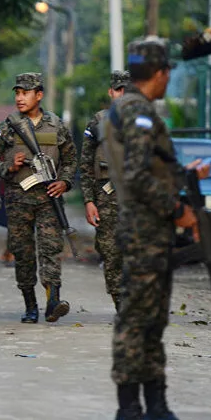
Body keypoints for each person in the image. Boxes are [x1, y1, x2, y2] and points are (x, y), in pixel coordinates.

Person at [103, 38, 198, 420]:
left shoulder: (128, 107)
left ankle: (157, 407)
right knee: (137, 320)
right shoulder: (138, 110)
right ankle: (129, 410)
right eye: (167, 73)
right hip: (145, 230)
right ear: (160, 73)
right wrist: (177, 210)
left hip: (151, 231)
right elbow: (137, 175)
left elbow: (149, 167)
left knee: (154, 321)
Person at [0, 72, 77, 324]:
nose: (20, 98)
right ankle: (30, 304)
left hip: (48, 200)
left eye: (25, 93)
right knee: (23, 253)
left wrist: (64, 181)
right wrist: (9, 165)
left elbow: (71, 159)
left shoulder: (56, 125)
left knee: (51, 249)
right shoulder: (8, 126)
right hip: (18, 200)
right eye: (17, 93)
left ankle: (53, 302)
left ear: (39, 95)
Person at [81, 70, 130, 310]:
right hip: (107, 197)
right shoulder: (98, 122)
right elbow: (85, 164)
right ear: (111, 92)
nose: (123, 94)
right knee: (111, 253)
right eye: (119, 89)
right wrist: (89, 201)